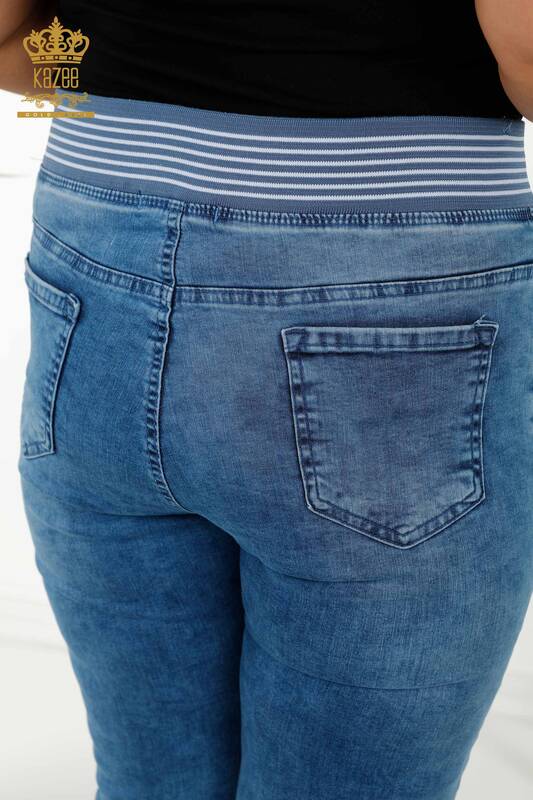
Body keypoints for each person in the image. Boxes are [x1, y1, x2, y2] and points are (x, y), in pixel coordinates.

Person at [2, 3, 532, 799]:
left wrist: (140, 76)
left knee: (154, 783)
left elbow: (9, 41)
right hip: (384, 292)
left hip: (95, 260)